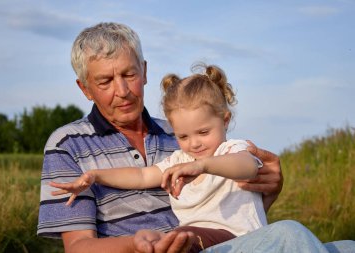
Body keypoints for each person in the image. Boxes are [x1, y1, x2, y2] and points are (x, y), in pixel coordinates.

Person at [37, 22, 354, 253]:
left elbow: (230, 205)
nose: (121, 91)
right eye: (105, 81)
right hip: (165, 247)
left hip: (217, 241)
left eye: (129, 75)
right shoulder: (67, 145)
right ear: (84, 88)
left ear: (144, 71)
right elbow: (79, 247)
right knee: (289, 235)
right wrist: (135, 242)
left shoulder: (182, 133)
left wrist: (269, 190)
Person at [49, 63, 268, 252]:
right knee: (179, 239)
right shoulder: (179, 160)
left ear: (225, 120)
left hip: (242, 240)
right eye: (183, 136)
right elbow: (142, 176)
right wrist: (96, 176)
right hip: (196, 243)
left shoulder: (231, 150)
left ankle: (168, 244)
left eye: (203, 132)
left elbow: (247, 167)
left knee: (181, 237)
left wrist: (203, 166)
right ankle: (163, 244)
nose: (194, 143)